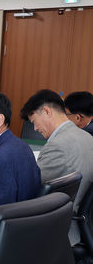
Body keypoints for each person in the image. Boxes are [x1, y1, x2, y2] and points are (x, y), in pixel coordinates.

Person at [21, 89, 93, 243]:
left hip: (61, 230)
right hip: (84, 225)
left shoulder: (57, 146)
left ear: (47, 111)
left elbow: (30, 191)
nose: (35, 128)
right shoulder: (87, 137)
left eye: (34, 122)